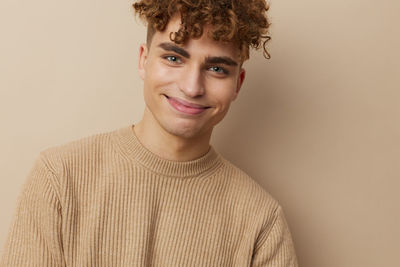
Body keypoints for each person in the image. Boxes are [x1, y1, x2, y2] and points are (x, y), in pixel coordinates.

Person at [0, 0, 299, 266]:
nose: (191, 87)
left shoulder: (261, 221)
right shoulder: (60, 178)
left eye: (217, 69)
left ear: (238, 83)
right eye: (173, 58)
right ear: (143, 59)